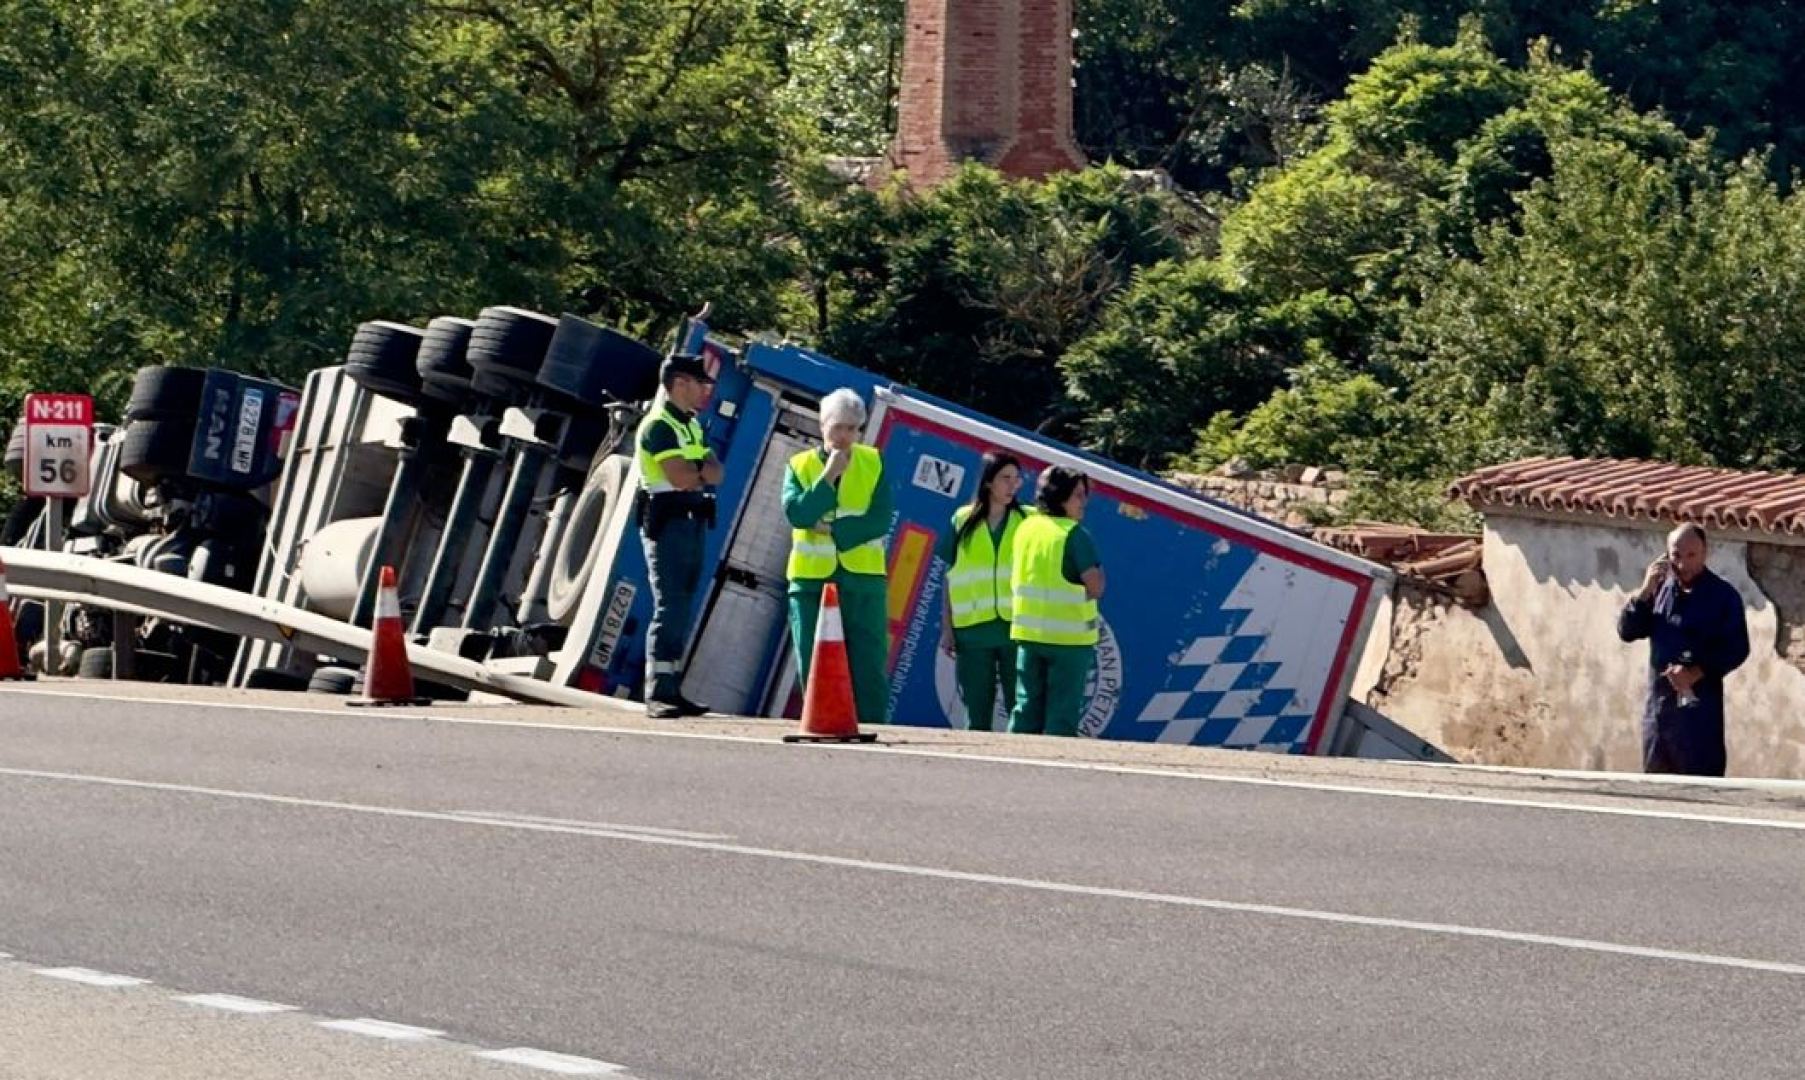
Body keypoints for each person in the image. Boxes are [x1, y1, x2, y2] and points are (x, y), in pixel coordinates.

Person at [782, 388, 894, 725]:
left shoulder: (873, 462)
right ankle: (823, 725)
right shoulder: (799, 465)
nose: (845, 436)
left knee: (868, 665)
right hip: (811, 583)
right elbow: (798, 515)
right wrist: (828, 474)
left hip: (863, 581)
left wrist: (831, 529)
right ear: (822, 425)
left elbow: (880, 519)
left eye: (853, 428)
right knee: (814, 662)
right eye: (838, 427)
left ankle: (871, 727)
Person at [1616, 523, 1750, 776]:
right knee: (1657, 790)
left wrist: (1696, 672)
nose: (1683, 564)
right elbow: (1627, 631)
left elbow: (1737, 648)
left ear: (1705, 553)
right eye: (1676, 555)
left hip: (1698, 718)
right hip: (1659, 714)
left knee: (1700, 789)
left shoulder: (1723, 597)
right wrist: (1644, 591)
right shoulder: (1659, 590)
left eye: (1691, 555)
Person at [635, 352, 723, 719]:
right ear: (680, 383)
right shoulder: (659, 426)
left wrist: (698, 469)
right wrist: (699, 470)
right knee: (669, 604)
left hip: (692, 521)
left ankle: (672, 688)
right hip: (670, 522)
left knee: (682, 605)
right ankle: (657, 691)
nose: (705, 390)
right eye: (700, 382)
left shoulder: (691, 426)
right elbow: (682, 477)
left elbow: (717, 473)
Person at [1009, 465, 1104, 738]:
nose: (1083, 502)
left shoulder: (1026, 528)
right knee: (1061, 718)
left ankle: (1010, 759)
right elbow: (1096, 587)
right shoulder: (1073, 534)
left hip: (1029, 635)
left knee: (1025, 710)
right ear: (1060, 496)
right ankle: (1054, 764)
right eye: (1078, 495)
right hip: (1068, 641)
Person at [936, 452, 1029, 731]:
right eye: (1005, 478)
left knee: (1022, 710)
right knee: (976, 712)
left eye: (1016, 479)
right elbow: (949, 576)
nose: (1012, 485)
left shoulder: (1028, 520)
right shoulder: (962, 519)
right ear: (988, 482)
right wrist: (947, 628)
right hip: (973, 631)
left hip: (1017, 629)